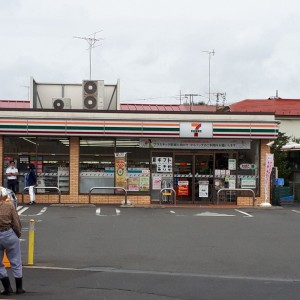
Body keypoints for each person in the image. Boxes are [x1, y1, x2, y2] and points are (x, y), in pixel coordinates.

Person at [0, 187, 25, 295]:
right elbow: (16, 222)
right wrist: (17, 234)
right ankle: (19, 288)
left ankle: (7, 288)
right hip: (8, 234)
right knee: (16, 261)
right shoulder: (9, 206)